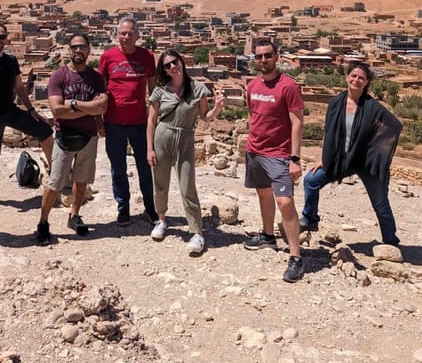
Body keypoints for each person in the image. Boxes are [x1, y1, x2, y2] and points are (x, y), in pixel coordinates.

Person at [300, 61, 403, 245]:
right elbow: (329, 131)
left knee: (380, 202)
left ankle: (390, 240)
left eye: (361, 78)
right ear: (347, 77)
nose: (356, 80)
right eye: (353, 76)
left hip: (365, 162)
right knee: (311, 180)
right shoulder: (335, 103)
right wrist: (322, 157)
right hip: (341, 159)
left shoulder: (373, 107)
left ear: (366, 82)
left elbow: (394, 126)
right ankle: (310, 219)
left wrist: (377, 154)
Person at [146, 49, 225, 255]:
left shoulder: (197, 88)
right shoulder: (160, 90)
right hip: (162, 137)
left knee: (187, 185)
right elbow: (151, 121)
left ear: (182, 62)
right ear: (164, 70)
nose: (173, 66)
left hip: (185, 139)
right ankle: (161, 221)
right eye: (168, 65)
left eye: (175, 62)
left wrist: (217, 108)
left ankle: (197, 232)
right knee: (160, 183)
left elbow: (205, 117)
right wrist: (149, 149)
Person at [243, 39, 306, 283]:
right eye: (258, 57)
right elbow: (253, 115)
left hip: (279, 154)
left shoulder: (288, 86)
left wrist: (295, 158)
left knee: (285, 202)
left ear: (277, 57)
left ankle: (296, 256)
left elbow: (298, 122)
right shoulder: (252, 86)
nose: (263, 60)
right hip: (255, 151)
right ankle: (268, 236)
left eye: (268, 56)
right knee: (263, 194)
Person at [0, 23, 54, 209]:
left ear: (6, 38)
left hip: (10, 111)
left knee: (45, 130)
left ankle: (54, 175)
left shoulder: (11, 61)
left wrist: (31, 110)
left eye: (1, 36)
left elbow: (19, 87)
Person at [36, 33, 108, 244]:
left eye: (82, 47)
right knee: (55, 181)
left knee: (81, 179)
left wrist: (74, 105)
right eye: (75, 47)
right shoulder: (59, 76)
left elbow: (102, 107)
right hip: (64, 137)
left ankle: (74, 215)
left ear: (89, 49)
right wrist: (89, 109)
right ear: (69, 50)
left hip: (89, 137)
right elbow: (57, 110)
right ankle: (43, 222)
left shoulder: (96, 78)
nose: (78, 51)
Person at [99, 17, 158, 226]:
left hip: (140, 123)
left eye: (130, 33)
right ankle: (123, 208)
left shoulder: (147, 57)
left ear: (138, 35)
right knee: (118, 168)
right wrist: (99, 121)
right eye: (122, 33)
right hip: (113, 123)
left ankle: (151, 209)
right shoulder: (107, 57)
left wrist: (154, 118)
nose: (126, 36)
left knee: (145, 167)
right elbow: (100, 90)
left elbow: (153, 89)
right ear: (117, 35)